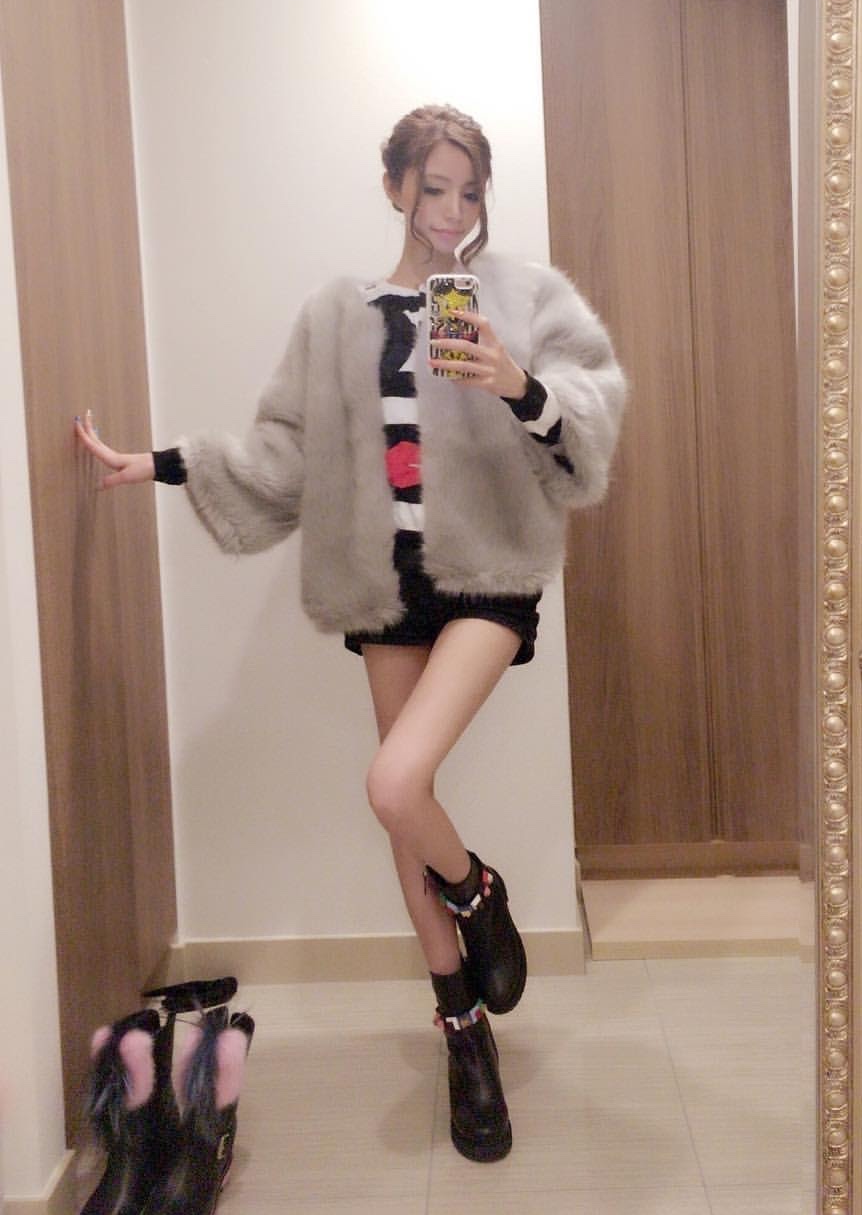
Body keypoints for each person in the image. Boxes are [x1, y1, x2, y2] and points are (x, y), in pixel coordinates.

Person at [76, 103, 627, 1164]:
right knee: (400, 808)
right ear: (394, 187)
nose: (452, 211)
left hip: (488, 573)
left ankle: (479, 890)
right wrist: (160, 463)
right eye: (433, 188)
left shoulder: (522, 297)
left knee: (392, 780)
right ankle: (462, 1029)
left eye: (470, 192)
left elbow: (589, 421)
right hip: (387, 586)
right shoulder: (339, 318)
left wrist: (517, 383)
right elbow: (287, 456)